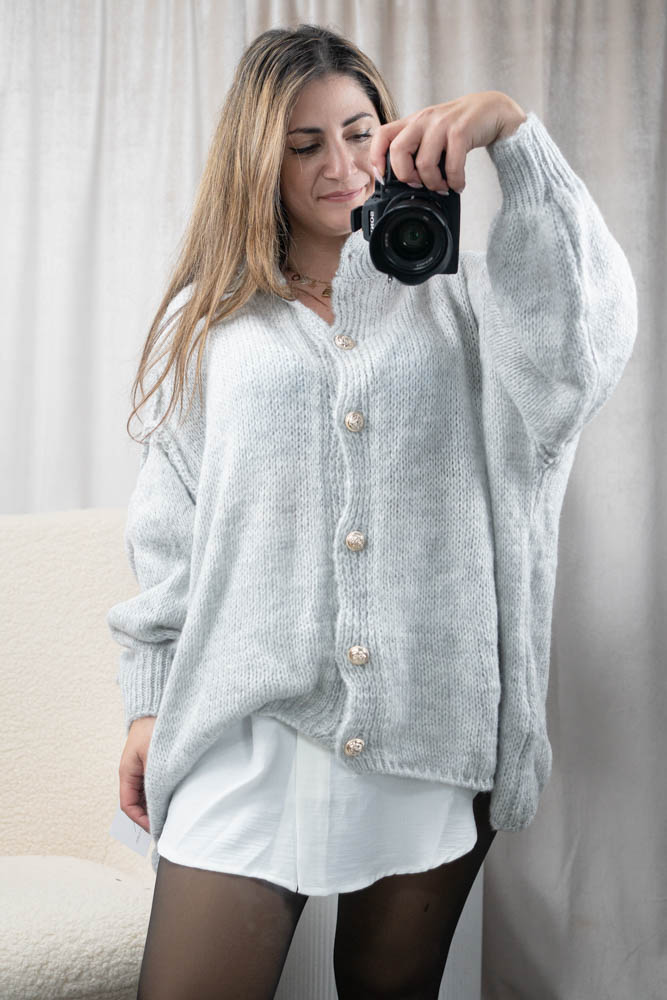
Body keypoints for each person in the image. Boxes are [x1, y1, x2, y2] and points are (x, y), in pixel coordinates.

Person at [107, 22, 637, 1000]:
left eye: (358, 132)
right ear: (259, 162)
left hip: (431, 720)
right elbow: (171, 522)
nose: (341, 165)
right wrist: (148, 696)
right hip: (246, 719)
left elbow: (580, 356)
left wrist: (514, 141)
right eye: (303, 144)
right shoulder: (210, 324)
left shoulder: (465, 306)